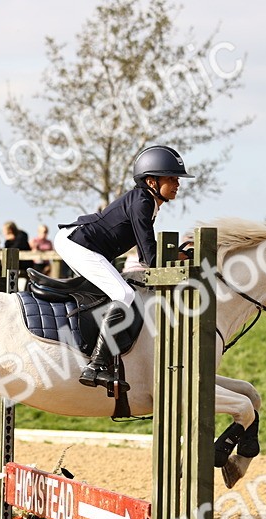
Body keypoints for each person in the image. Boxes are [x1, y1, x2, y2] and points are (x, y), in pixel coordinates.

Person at [54, 144, 192, 391]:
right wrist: (180, 257)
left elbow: (145, 253)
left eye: (177, 179)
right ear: (151, 181)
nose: (177, 184)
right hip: (78, 243)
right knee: (124, 294)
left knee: (122, 291)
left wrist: (178, 253)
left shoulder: (145, 200)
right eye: (171, 178)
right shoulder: (143, 203)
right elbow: (149, 258)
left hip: (80, 242)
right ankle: (96, 365)